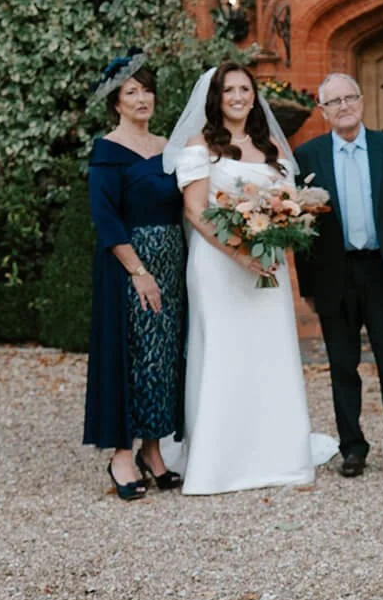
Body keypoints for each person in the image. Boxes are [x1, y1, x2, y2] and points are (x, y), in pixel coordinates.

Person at [164, 63, 336, 496]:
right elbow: (196, 209)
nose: (238, 97)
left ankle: (275, 454)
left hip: (268, 267)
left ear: (254, 95)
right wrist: (239, 254)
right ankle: (218, 462)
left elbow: (288, 203)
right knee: (223, 352)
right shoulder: (198, 144)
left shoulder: (272, 145)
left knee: (269, 352)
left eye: (245, 89)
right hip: (220, 266)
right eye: (229, 90)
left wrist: (281, 233)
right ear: (216, 98)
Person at [293, 73, 383, 480]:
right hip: (335, 274)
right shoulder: (309, 156)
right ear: (322, 111)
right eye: (333, 102)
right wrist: (309, 287)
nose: (343, 106)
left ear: (362, 101)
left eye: (349, 98)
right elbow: (302, 229)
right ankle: (352, 448)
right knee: (342, 365)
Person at [82, 53, 186, 500]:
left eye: (146, 90)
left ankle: (154, 450)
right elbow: (106, 219)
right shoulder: (108, 151)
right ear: (116, 103)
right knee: (134, 355)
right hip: (130, 267)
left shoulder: (169, 146)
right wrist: (139, 271)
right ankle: (122, 455)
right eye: (132, 92)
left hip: (173, 263)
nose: (142, 98)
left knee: (163, 356)